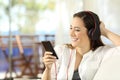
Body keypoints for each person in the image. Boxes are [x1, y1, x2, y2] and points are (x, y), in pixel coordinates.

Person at [42, 11, 120, 80]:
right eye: (71, 28)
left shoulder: (103, 53)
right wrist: (48, 69)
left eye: (77, 30)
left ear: (91, 32)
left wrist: (104, 31)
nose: (71, 34)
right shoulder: (61, 51)